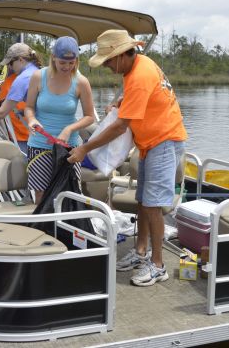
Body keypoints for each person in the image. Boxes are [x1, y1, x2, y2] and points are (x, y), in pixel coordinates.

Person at [67, 29, 187, 287]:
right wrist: (121, 101)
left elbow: (120, 127)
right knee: (143, 200)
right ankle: (141, 251)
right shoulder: (139, 66)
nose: (107, 66)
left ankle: (158, 266)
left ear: (121, 55)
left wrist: (85, 149)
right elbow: (138, 97)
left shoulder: (140, 75)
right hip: (150, 143)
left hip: (163, 141)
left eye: (108, 61)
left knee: (153, 206)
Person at [24, 36, 95, 204]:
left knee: (69, 195)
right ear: (53, 57)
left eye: (71, 63)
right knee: (41, 196)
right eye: (62, 62)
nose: (67, 67)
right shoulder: (38, 77)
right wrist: (31, 119)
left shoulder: (81, 82)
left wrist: (69, 129)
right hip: (40, 145)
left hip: (68, 148)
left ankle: (68, 222)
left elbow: (90, 116)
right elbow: (29, 107)